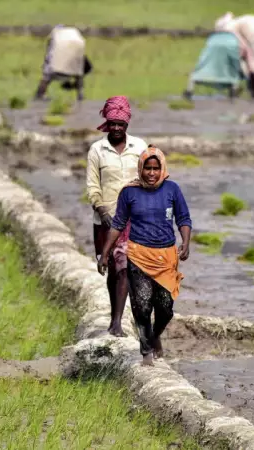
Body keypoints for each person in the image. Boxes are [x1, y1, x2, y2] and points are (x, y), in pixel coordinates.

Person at [97, 146, 192, 366]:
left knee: (165, 308)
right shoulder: (129, 192)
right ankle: (146, 351)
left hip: (166, 258)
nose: (151, 173)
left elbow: (184, 219)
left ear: (162, 169)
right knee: (141, 304)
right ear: (141, 169)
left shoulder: (172, 190)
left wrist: (185, 243)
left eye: (155, 168)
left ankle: (154, 334)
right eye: (147, 168)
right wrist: (105, 253)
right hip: (138, 256)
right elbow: (118, 224)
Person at [86, 96, 148, 337]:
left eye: (120, 124)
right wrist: (102, 210)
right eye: (112, 123)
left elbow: (151, 176)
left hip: (134, 218)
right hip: (106, 219)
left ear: (127, 125)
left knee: (125, 266)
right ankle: (116, 317)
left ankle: (117, 322)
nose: (116, 128)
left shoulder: (140, 147)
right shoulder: (97, 150)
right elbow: (92, 186)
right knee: (112, 268)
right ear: (107, 123)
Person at [182, 28, 254, 102]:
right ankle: (234, 90)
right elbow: (244, 62)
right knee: (233, 73)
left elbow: (204, 58)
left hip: (215, 43)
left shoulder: (220, 37)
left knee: (197, 74)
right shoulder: (239, 40)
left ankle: (189, 90)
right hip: (230, 45)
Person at [34, 25, 93, 102]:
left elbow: (49, 52)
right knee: (79, 74)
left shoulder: (56, 37)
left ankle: (40, 94)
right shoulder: (73, 37)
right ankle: (80, 94)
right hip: (72, 65)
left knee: (46, 75)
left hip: (56, 65)